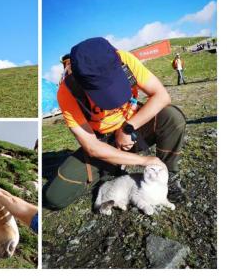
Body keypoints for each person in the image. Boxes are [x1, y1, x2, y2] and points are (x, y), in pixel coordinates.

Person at [45, 37, 186, 210]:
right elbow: (92, 147)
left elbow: (162, 96)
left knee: (172, 117)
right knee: (55, 198)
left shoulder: (124, 60)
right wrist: (144, 161)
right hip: (102, 142)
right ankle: (111, 170)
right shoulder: (67, 92)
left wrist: (128, 128)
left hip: (134, 129)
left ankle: (167, 177)